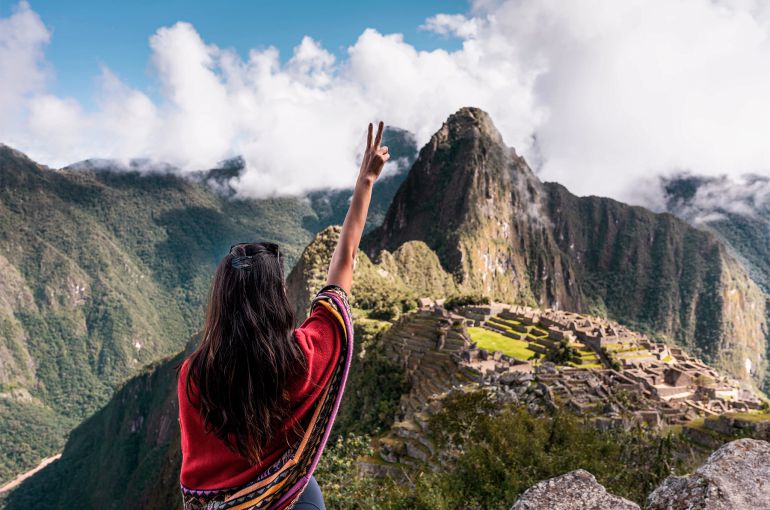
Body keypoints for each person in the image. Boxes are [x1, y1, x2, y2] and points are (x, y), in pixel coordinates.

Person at [177, 121, 389, 510]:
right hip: (292, 501)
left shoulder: (194, 375)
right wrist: (366, 183)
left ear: (220, 299)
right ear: (276, 299)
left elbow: (197, 470)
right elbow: (344, 265)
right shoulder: (302, 358)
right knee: (310, 495)